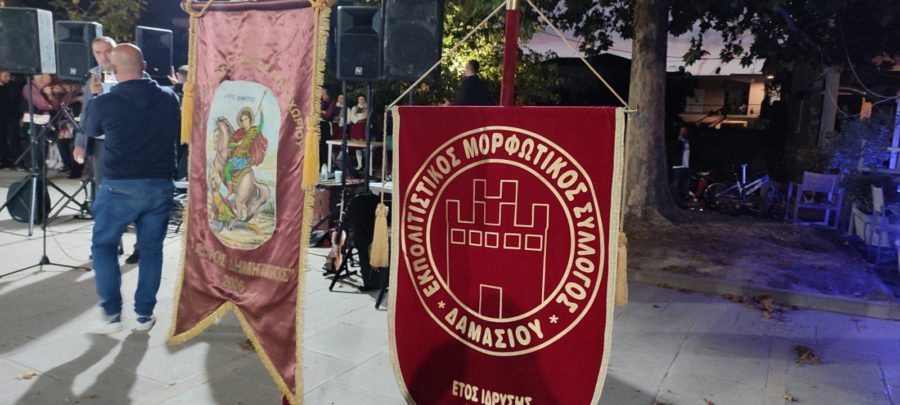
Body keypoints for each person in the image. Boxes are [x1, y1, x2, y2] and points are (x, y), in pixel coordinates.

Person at [81, 43, 181, 333]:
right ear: (145, 66)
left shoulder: (105, 101)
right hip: (160, 184)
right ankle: (144, 316)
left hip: (119, 186)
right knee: (151, 251)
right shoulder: (169, 97)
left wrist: (95, 96)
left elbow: (91, 130)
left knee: (104, 246)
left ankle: (112, 315)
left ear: (112, 70)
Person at [74, 36, 146, 263]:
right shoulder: (93, 77)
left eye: (107, 51)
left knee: (136, 193)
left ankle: (141, 246)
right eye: (98, 52)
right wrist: (80, 142)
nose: (103, 56)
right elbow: (86, 113)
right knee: (105, 197)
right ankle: (110, 245)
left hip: (132, 144)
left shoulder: (135, 72)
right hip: (102, 144)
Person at [0, 71, 24, 169]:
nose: (8, 78)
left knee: (14, 139)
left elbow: (18, 100)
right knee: (2, 140)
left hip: (12, 116)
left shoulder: (13, 86)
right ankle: (4, 161)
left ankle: (19, 162)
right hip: (1, 117)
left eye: (9, 76)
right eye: (5, 76)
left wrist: (19, 115)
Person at [672, 126, 691, 204]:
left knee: (686, 185)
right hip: (678, 166)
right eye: (682, 131)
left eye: (685, 131)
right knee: (676, 185)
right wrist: (679, 141)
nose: (683, 132)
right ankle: (675, 200)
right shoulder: (677, 141)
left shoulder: (688, 142)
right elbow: (674, 150)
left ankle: (684, 200)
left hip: (687, 166)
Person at [319, 87, 336, 165]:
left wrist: (321, 112)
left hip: (326, 125)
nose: (322, 96)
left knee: (325, 145)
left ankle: (325, 163)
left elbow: (328, 115)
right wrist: (323, 112)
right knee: (319, 144)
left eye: (323, 94)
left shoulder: (332, 102)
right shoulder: (321, 102)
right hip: (320, 124)